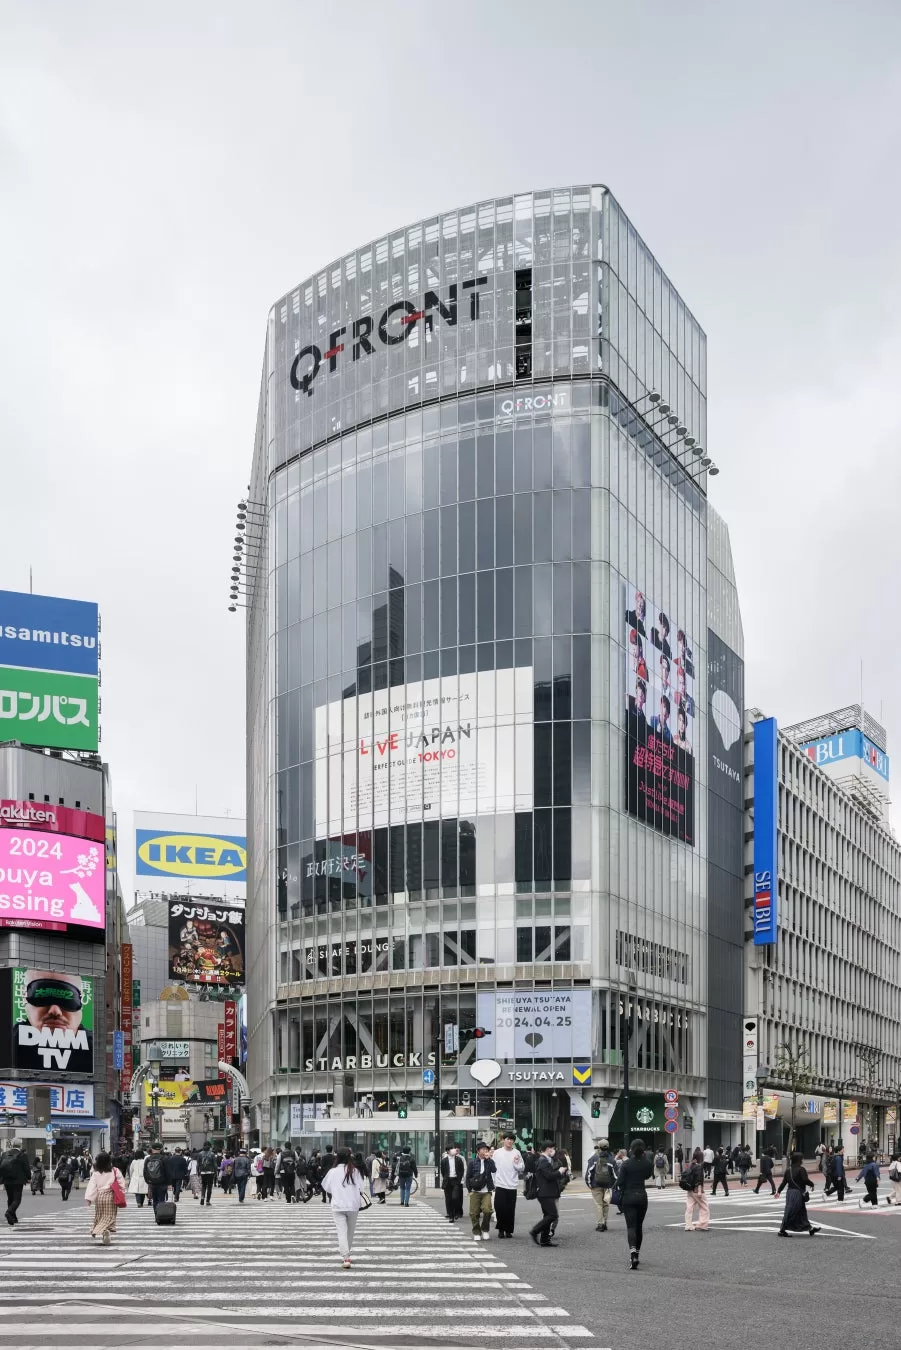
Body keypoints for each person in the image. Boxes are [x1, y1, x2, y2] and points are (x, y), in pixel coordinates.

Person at [12, 970, 94, 1073]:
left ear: (82, 1000)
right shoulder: (7, 1044)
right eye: (43, 997)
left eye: (67, 998)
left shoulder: (97, 1050)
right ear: (24, 997)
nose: (55, 1011)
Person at [321, 1146, 367, 1269]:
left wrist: (337, 1190)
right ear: (349, 1157)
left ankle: (345, 1256)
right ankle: (347, 1253)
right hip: (353, 1205)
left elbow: (326, 1187)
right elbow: (361, 1189)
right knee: (350, 1232)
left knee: (341, 1231)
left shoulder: (332, 1172)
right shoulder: (355, 1171)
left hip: (338, 1205)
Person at [528, 1141, 567, 1248]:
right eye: (552, 1148)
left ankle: (544, 1240)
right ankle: (535, 1231)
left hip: (546, 1192)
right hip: (545, 1193)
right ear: (547, 1149)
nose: (553, 1150)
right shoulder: (543, 1161)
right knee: (553, 1215)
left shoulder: (546, 1160)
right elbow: (549, 1176)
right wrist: (560, 1172)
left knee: (547, 1215)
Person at [84, 1151, 125, 1246]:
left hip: (100, 1197)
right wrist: (122, 1192)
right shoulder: (115, 1170)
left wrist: (89, 1199)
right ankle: (104, 1230)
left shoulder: (96, 1173)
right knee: (110, 1216)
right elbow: (121, 1183)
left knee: (100, 1216)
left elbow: (92, 1186)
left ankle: (103, 1231)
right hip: (111, 1196)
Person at [777, 1151, 821, 1236]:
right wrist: (812, 1184)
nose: (803, 1160)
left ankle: (810, 1229)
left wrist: (778, 1191)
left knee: (801, 1211)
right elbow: (805, 1180)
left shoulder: (788, 1170)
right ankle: (782, 1230)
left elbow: (784, 1182)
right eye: (802, 1158)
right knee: (791, 1211)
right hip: (797, 1193)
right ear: (799, 1159)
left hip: (790, 1193)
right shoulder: (801, 1169)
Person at [492, 1133, 523, 1237]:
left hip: (512, 1185)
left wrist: (516, 1164)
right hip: (500, 1184)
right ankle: (501, 1229)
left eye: (512, 1140)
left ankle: (508, 1230)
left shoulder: (516, 1152)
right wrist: (493, 1182)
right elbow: (492, 1168)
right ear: (503, 1140)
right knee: (500, 1208)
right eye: (508, 1139)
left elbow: (522, 1167)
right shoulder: (497, 1153)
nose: (510, 1141)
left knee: (510, 1209)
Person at [466, 1141, 496, 1242]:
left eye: (486, 1150)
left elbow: (494, 1170)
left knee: (487, 1210)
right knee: (474, 1213)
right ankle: (476, 1232)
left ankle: (485, 1229)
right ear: (478, 1151)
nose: (485, 1151)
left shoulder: (489, 1161)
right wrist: (469, 1190)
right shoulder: (472, 1163)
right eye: (483, 1149)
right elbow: (468, 1177)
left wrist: (489, 1159)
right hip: (475, 1191)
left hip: (487, 1191)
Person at [585, 1138, 617, 1232]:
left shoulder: (594, 1158)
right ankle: (605, 1222)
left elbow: (589, 1172)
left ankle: (600, 1224)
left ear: (599, 1147)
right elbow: (616, 1175)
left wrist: (589, 1184)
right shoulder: (611, 1159)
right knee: (606, 1204)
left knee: (598, 1204)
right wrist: (613, 1185)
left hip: (596, 1185)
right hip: (607, 1186)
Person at [0, 1139, 32, 1226]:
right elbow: (26, 1168)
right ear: (20, 1145)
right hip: (18, 1180)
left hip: (7, 1180)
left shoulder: (4, 1154)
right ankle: (9, 1212)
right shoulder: (22, 1155)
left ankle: (13, 1218)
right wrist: (29, 1178)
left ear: (12, 1145)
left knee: (10, 1198)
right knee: (17, 1199)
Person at [682, 1146, 710, 1232]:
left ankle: (688, 1225)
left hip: (689, 1189)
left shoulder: (691, 1165)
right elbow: (699, 1179)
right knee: (704, 1206)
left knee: (689, 1207)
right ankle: (702, 1225)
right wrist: (700, 1190)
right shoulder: (699, 1166)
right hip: (696, 1189)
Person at [440, 1144, 465, 1222]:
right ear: (448, 1151)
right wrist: (446, 1178)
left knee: (455, 1197)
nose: (454, 1150)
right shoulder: (444, 1161)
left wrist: (459, 1180)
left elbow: (462, 1170)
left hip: (456, 1181)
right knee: (448, 1199)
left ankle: (456, 1212)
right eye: (452, 1149)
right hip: (447, 1181)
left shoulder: (459, 1159)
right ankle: (451, 1216)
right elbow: (443, 1171)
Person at [143, 1144, 169, 1211]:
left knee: (155, 1200)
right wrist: (169, 1183)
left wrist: (147, 1181)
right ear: (160, 1149)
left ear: (152, 1149)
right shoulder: (164, 1158)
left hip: (152, 1182)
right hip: (162, 1182)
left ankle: (156, 1214)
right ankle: (161, 1214)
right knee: (161, 1200)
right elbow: (168, 1171)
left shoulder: (148, 1159)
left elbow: (145, 1171)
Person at [197, 1142, 217, 1206]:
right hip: (210, 1172)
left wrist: (198, 1172)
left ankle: (202, 1198)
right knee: (209, 1187)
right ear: (209, 1147)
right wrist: (215, 1172)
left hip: (202, 1172)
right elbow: (215, 1164)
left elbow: (198, 1164)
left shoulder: (200, 1154)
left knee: (203, 1186)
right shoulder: (212, 1154)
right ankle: (208, 1201)